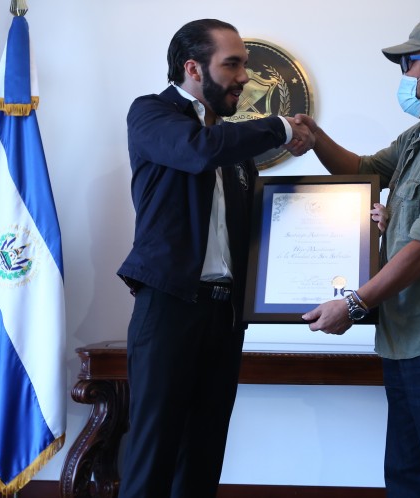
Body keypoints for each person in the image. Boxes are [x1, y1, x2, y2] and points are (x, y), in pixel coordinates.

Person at [292, 18, 420, 497]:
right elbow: (364, 170)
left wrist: (353, 304)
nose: (404, 75)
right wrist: (316, 137)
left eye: (410, 63)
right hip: (406, 338)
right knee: (409, 481)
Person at [116, 18, 314, 498]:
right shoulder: (151, 114)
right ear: (193, 69)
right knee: (152, 455)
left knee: (203, 457)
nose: (244, 77)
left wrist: (352, 224)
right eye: (233, 64)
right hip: (169, 307)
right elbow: (197, 152)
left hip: (224, 316)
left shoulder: (232, 146)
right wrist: (281, 126)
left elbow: (260, 230)